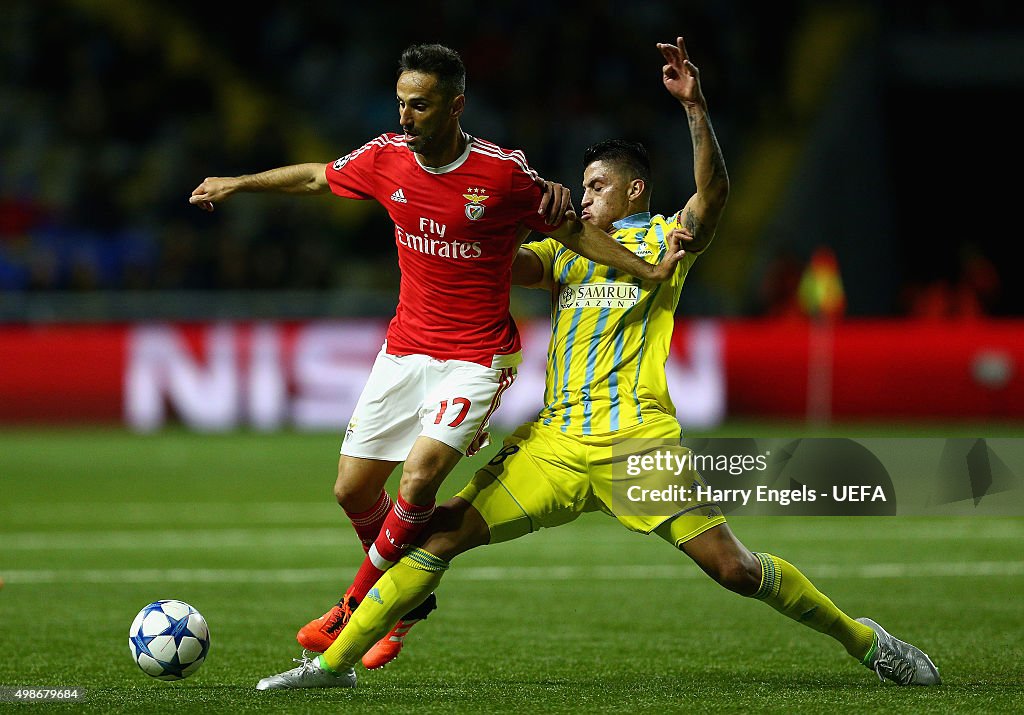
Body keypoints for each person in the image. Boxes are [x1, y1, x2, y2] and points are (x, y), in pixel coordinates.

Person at [256, 36, 941, 691]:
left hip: (637, 446)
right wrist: (460, 213)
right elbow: (489, 256)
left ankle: (866, 640)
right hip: (554, 444)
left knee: (734, 568)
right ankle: (331, 664)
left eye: (595, 186)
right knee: (435, 536)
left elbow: (716, 196)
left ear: (634, 191)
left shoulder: (663, 239)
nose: (583, 197)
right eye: (580, 187)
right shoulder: (564, 251)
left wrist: (695, 109)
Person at [191, 44, 687, 660]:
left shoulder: (502, 174)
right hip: (406, 349)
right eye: (401, 103)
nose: (405, 117)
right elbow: (321, 175)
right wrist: (239, 182)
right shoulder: (385, 158)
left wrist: (647, 268)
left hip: (477, 359)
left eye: (419, 106)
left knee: (420, 475)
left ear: (455, 106)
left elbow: (573, 231)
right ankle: (410, 601)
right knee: (351, 490)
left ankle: (361, 605)